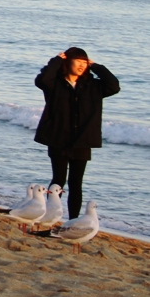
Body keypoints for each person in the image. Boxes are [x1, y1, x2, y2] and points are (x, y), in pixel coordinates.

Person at [34, 48, 119, 220]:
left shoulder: (93, 86)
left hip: (83, 140)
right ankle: (50, 218)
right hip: (58, 138)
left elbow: (114, 85)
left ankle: (72, 221)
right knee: (58, 180)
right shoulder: (55, 84)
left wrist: (96, 66)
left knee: (76, 183)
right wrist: (56, 60)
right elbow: (42, 79)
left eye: (84, 62)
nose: (82, 65)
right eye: (78, 61)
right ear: (68, 62)